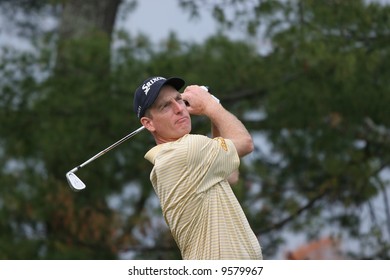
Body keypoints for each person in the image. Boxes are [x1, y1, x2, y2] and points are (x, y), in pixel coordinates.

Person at [133, 76, 262, 260]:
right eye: (165, 106)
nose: (179, 109)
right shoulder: (187, 151)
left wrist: (212, 111)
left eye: (179, 99)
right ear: (148, 124)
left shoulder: (176, 157)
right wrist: (210, 105)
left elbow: (230, 175)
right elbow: (245, 143)